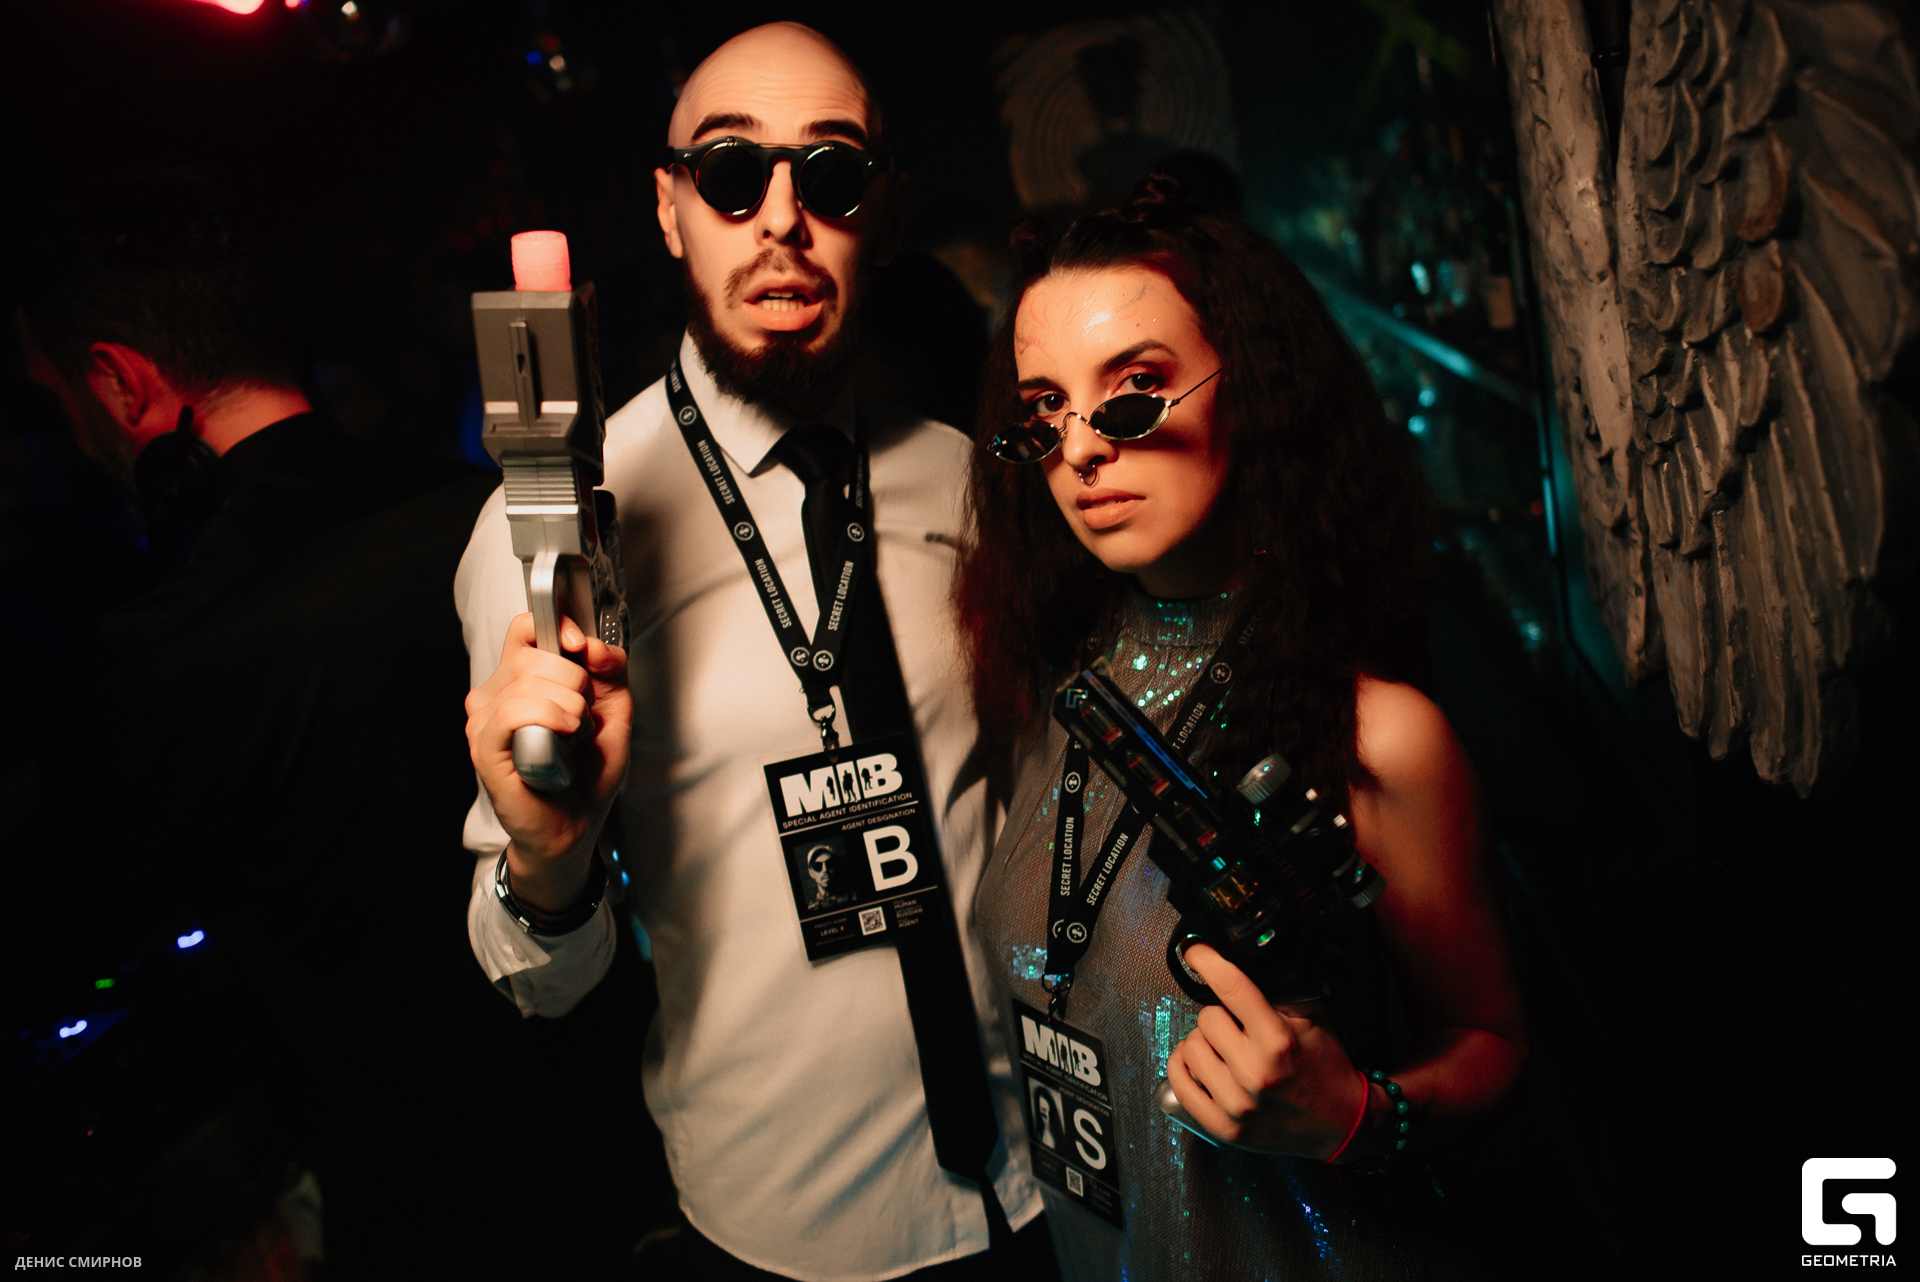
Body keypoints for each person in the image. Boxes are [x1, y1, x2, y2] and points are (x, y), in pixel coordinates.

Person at [457, 22, 1051, 1282]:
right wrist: (548, 859)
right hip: (784, 1229)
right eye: (731, 173)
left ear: (884, 213)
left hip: (1044, 1183)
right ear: (670, 210)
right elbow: (537, 983)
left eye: (831, 174)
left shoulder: (966, 480)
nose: (782, 218)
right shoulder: (556, 536)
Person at [7, 182, 660, 1279]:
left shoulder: (160, 657)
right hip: (631, 1146)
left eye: (56, 400)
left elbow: (54, 941)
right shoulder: (479, 508)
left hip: (425, 1220)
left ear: (118, 382)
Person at [955, 178, 1529, 1279]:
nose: (1082, 449)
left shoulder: (1379, 736)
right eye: (1046, 409)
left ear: (1253, 391)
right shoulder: (1055, 689)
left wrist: (1356, 1113)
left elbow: (1495, 1048)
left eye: (1133, 393)